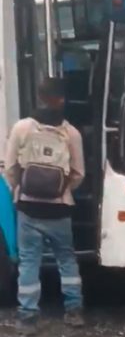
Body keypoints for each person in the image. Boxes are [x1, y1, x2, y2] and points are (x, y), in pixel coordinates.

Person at [4, 78, 86, 334]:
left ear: (39, 97)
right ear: (63, 100)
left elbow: (9, 168)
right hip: (59, 209)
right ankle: (74, 311)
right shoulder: (71, 133)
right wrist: (61, 191)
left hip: (28, 208)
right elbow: (79, 173)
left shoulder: (21, 128)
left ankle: (28, 316)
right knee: (67, 260)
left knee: (29, 261)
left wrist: (20, 189)